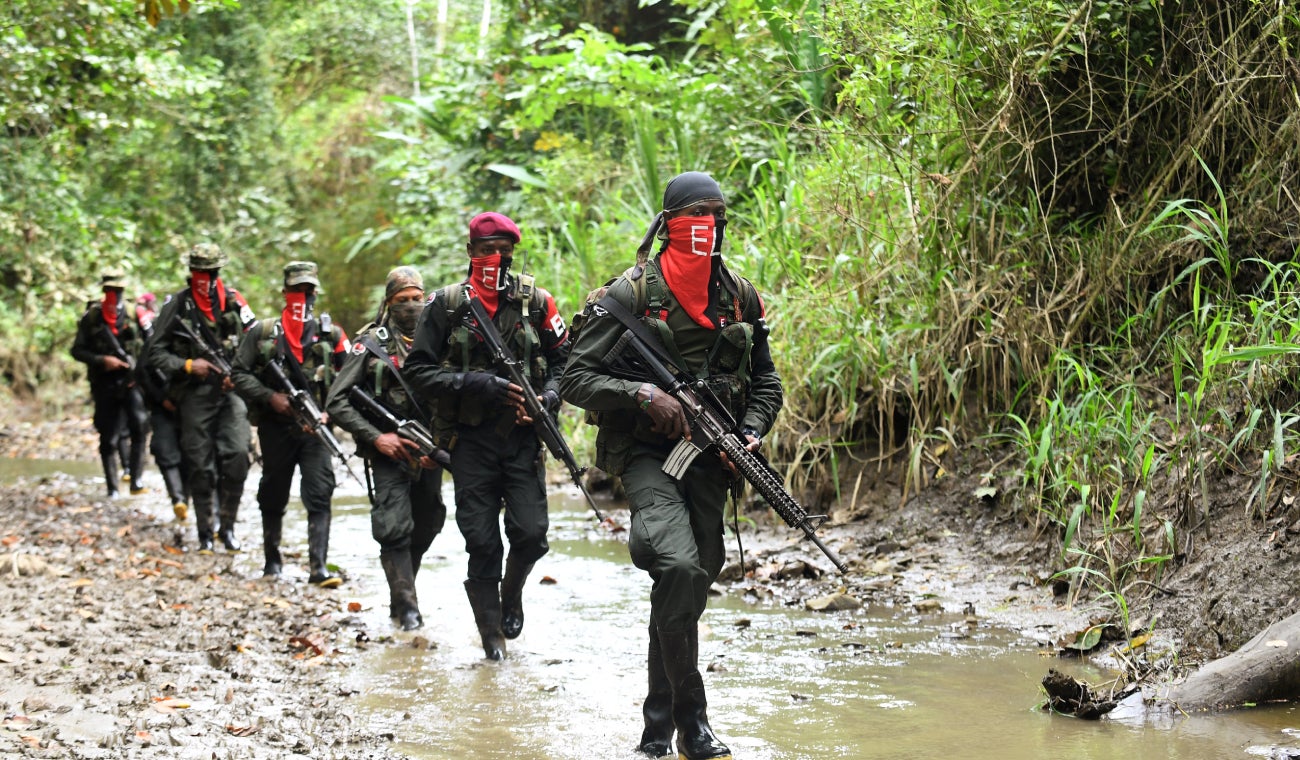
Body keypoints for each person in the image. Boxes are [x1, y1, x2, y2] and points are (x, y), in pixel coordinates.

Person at [558, 172, 783, 760]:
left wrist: (752, 431)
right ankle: (696, 725)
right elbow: (575, 378)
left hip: (712, 458)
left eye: (716, 215)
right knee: (679, 565)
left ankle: (657, 731)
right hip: (644, 455)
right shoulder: (628, 295)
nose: (707, 226)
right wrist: (643, 396)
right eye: (695, 216)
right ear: (669, 224)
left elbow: (765, 381)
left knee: (691, 580)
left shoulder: (739, 294)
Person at [404, 212, 570, 660]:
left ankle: (510, 595)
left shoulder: (538, 302)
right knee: (481, 541)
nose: (494, 258)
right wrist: (475, 383)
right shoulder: (445, 305)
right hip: (470, 441)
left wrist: (548, 397)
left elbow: (566, 363)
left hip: (521, 439)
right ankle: (491, 639)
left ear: (512, 253)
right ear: (470, 253)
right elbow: (416, 370)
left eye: (502, 250)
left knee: (532, 535)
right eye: (485, 250)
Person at [326, 266, 447, 629]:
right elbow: (337, 400)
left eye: (416, 298)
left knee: (428, 521)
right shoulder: (370, 343)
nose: (410, 306)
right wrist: (377, 437)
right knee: (394, 525)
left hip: (431, 449)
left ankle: (401, 592)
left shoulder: (441, 338)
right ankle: (408, 608)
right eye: (401, 301)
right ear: (388, 303)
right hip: (387, 450)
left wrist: (442, 442)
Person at [231, 261, 349, 586]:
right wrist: (270, 397)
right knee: (273, 492)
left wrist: (330, 414)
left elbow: (352, 380)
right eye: (296, 291)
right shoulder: (263, 332)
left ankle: (319, 568)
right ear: (285, 292)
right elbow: (238, 373)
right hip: (276, 428)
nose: (303, 297)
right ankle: (272, 561)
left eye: (308, 291)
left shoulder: (333, 335)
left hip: (317, 431)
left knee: (319, 492)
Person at [147, 244, 256, 554]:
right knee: (200, 465)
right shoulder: (177, 306)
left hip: (230, 392)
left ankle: (228, 527)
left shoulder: (234, 302)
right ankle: (205, 532)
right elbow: (153, 352)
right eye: (199, 273)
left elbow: (257, 340)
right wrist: (187, 365)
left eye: (210, 273)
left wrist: (241, 374)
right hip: (194, 393)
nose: (205, 279)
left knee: (237, 456)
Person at [70, 268, 151, 498]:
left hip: (132, 382)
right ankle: (112, 487)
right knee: (108, 436)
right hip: (104, 383)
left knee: (139, 428)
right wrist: (102, 360)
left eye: (118, 290)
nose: (114, 294)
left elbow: (153, 345)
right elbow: (77, 350)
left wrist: (138, 370)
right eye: (110, 290)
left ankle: (135, 479)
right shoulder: (93, 317)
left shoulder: (136, 314)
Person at [135, 293, 191, 521]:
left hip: (188, 406)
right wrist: (160, 399)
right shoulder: (156, 339)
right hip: (161, 407)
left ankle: (185, 499)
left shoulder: (191, 338)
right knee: (166, 452)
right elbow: (141, 373)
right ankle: (178, 498)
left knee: (190, 454)